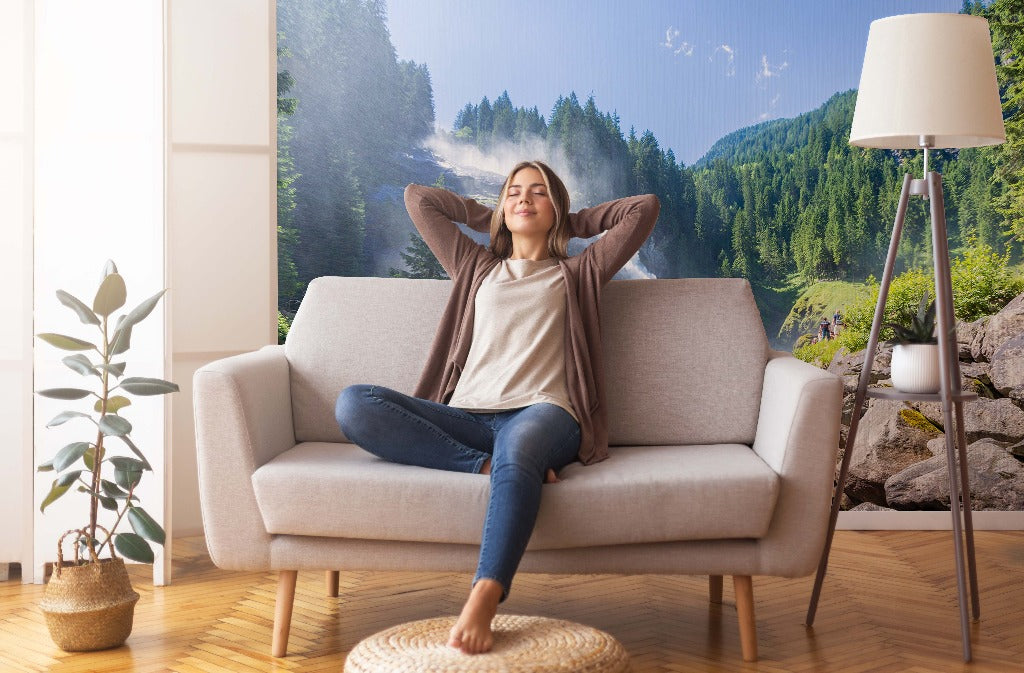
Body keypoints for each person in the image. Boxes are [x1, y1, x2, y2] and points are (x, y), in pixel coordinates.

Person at [333, 160, 660, 655]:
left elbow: (643, 209)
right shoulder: (476, 266)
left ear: (558, 208)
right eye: (514, 193)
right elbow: (419, 199)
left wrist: (568, 221)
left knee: (523, 444)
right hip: (466, 418)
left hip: (545, 412)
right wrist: (496, 215)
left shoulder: (580, 271)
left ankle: (485, 596)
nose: (524, 200)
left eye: (538, 193)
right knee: (355, 403)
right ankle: (485, 466)